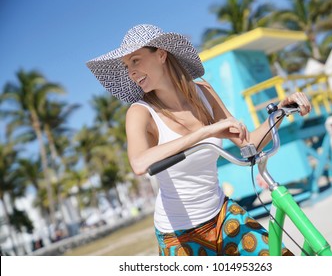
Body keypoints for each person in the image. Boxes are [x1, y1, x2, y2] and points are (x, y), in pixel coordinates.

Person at [86, 24, 311, 256]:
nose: (131, 72)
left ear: (161, 54)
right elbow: (139, 163)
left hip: (222, 214)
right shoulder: (141, 112)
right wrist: (206, 132)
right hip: (178, 233)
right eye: (127, 66)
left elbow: (249, 143)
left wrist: (279, 113)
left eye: (135, 60)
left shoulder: (203, 92)